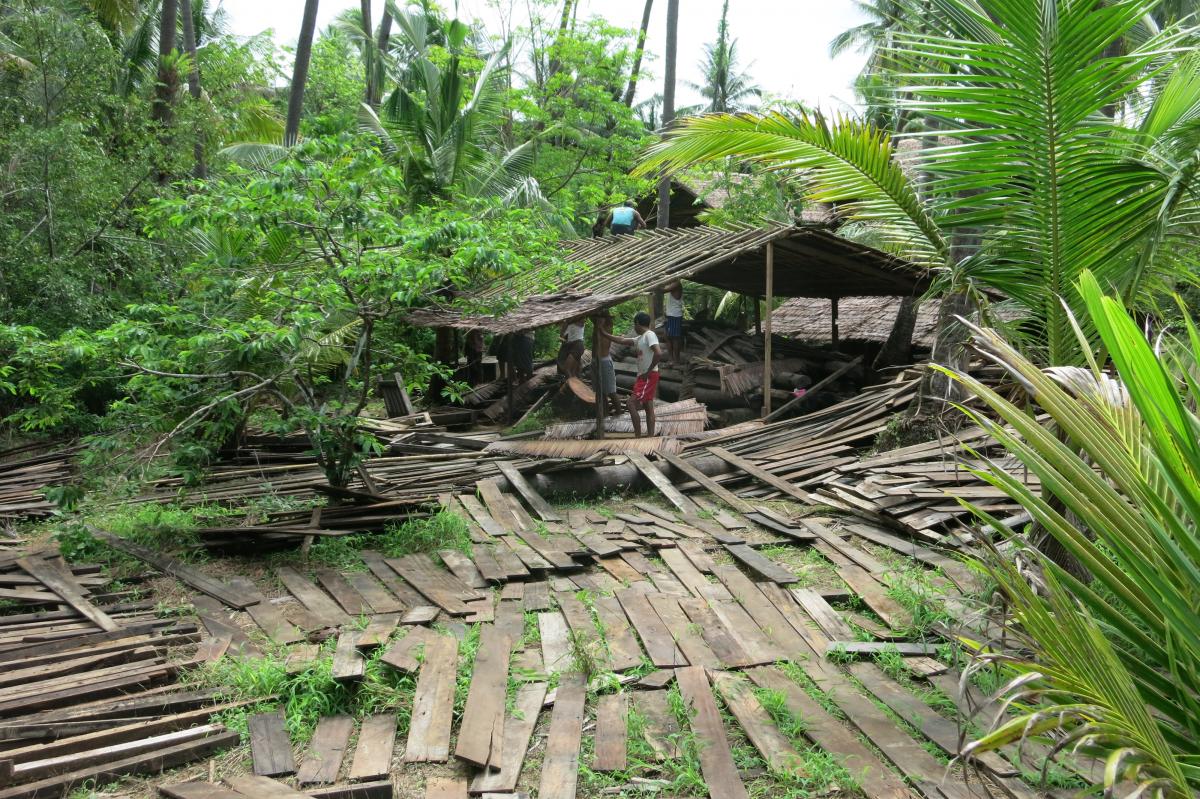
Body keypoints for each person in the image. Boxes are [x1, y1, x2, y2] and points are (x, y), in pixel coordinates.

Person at [600, 311, 662, 437]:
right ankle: (650, 437)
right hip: (644, 375)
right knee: (648, 405)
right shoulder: (640, 338)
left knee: (630, 403)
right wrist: (604, 334)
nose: (634, 327)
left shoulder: (649, 335)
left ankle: (638, 436)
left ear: (638, 323)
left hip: (648, 375)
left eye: (634, 324)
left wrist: (648, 371)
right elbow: (622, 340)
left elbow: (658, 353)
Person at [593, 311, 621, 415]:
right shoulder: (597, 327)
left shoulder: (607, 327)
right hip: (596, 361)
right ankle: (604, 415)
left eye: (601, 317)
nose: (598, 319)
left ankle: (619, 414)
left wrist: (600, 326)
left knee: (611, 391)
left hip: (604, 361)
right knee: (600, 392)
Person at [663, 280, 685, 363]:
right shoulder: (671, 283)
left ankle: (676, 360)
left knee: (675, 338)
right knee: (667, 336)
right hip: (670, 314)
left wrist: (654, 284)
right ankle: (671, 358)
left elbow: (663, 290)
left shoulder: (676, 283)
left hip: (675, 315)